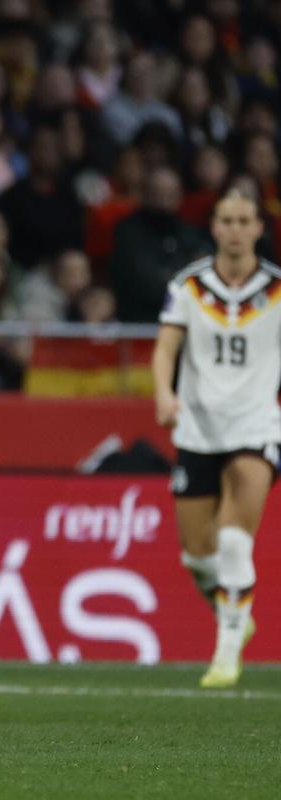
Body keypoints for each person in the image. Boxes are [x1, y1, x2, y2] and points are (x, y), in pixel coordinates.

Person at [152, 190, 278, 688]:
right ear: (214, 226)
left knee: (231, 540)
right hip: (198, 428)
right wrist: (164, 394)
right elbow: (166, 349)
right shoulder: (188, 286)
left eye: (244, 220)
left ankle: (226, 654)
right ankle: (236, 615)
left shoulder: (277, 290)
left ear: (258, 228)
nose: (235, 229)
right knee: (196, 556)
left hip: (256, 427)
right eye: (226, 220)